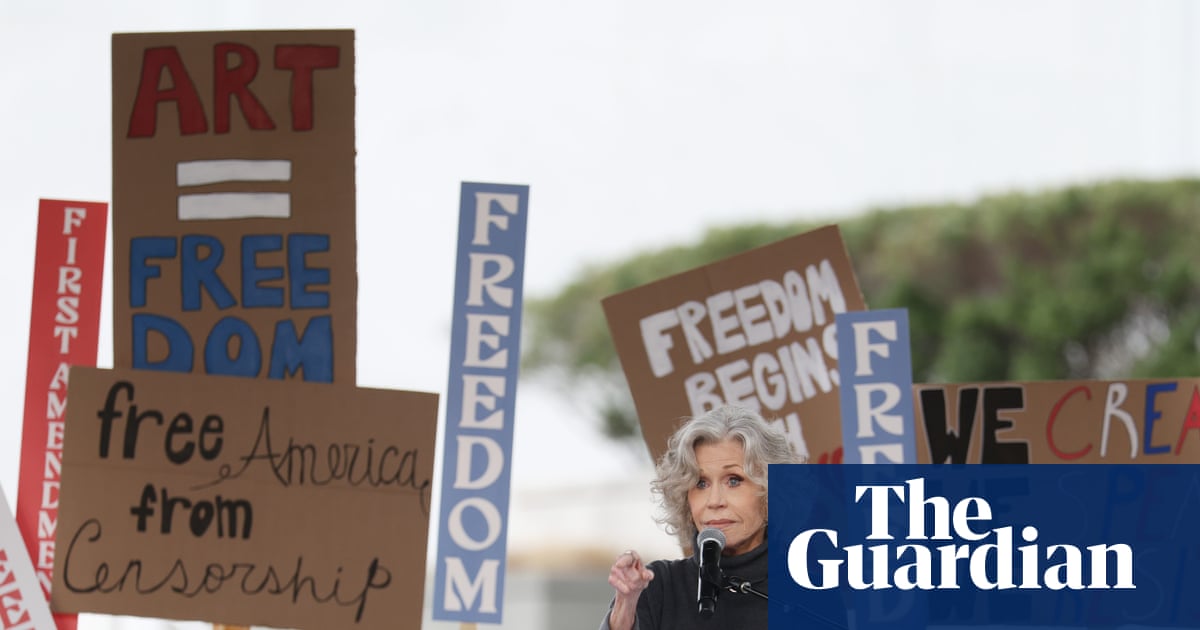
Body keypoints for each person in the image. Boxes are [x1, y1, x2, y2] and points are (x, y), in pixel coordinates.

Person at [599, 405, 803, 630]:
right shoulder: (659, 587)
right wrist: (625, 606)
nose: (714, 500)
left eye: (733, 480)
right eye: (700, 483)